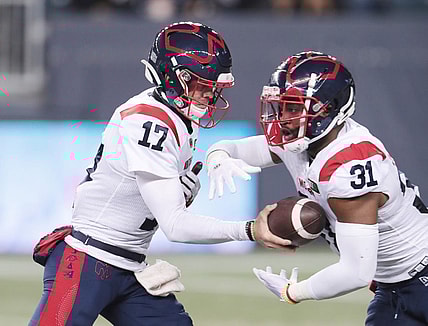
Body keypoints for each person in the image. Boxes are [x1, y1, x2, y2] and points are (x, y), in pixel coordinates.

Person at [29, 21, 289, 326]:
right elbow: (176, 226)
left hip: (128, 266)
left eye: (213, 87)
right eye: (203, 84)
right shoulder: (148, 122)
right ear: (176, 77)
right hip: (88, 259)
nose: (210, 94)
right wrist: (249, 231)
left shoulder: (177, 118)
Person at [205, 51, 428, 325]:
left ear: (330, 108)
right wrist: (217, 158)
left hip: (419, 279)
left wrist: (292, 292)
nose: (284, 118)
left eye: (295, 108)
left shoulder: (349, 163)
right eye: (281, 106)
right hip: (395, 284)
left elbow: (356, 272)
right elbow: (234, 147)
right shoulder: (304, 139)